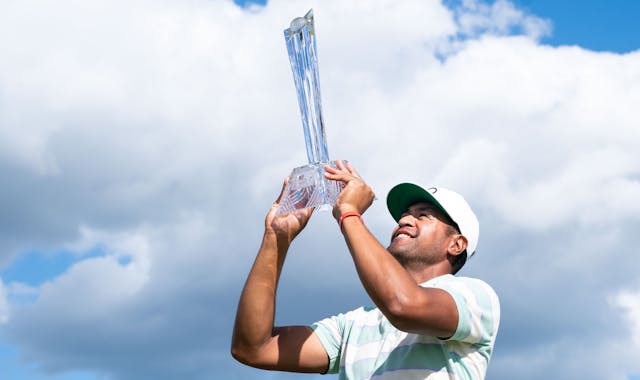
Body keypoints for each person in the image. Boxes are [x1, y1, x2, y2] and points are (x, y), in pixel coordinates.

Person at [231, 161, 500, 379]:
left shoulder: (474, 297)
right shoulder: (354, 325)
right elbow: (253, 349)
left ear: (456, 244)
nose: (405, 219)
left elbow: (403, 305)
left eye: (423, 215)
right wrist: (276, 239)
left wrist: (349, 213)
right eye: (405, 214)